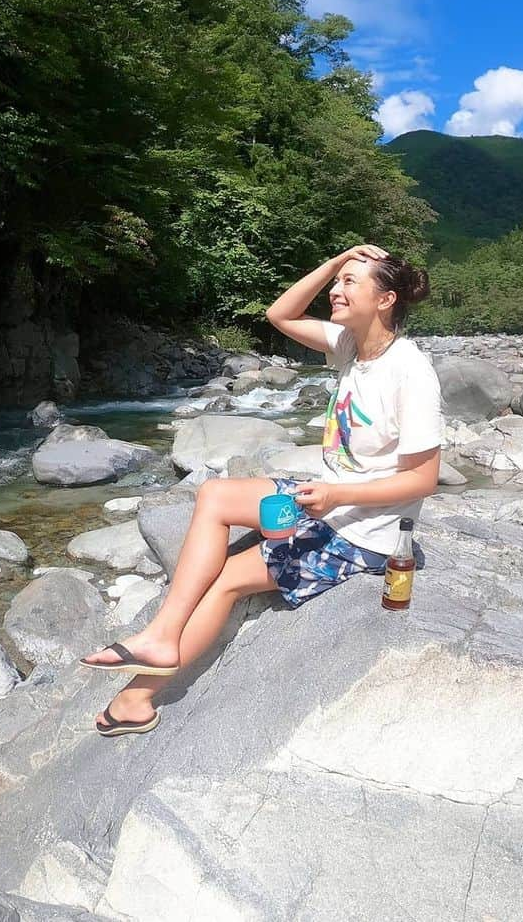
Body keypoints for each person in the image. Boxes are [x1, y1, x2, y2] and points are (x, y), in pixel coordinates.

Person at [80, 242, 444, 736]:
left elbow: (423, 480)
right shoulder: (349, 346)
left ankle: (135, 699)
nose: (335, 290)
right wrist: (335, 261)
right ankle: (163, 634)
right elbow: (279, 313)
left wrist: (338, 497)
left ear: (385, 300)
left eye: (349, 283)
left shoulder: (411, 373)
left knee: (229, 578)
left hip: (364, 533)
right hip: (327, 498)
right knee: (214, 495)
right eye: (338, 281)